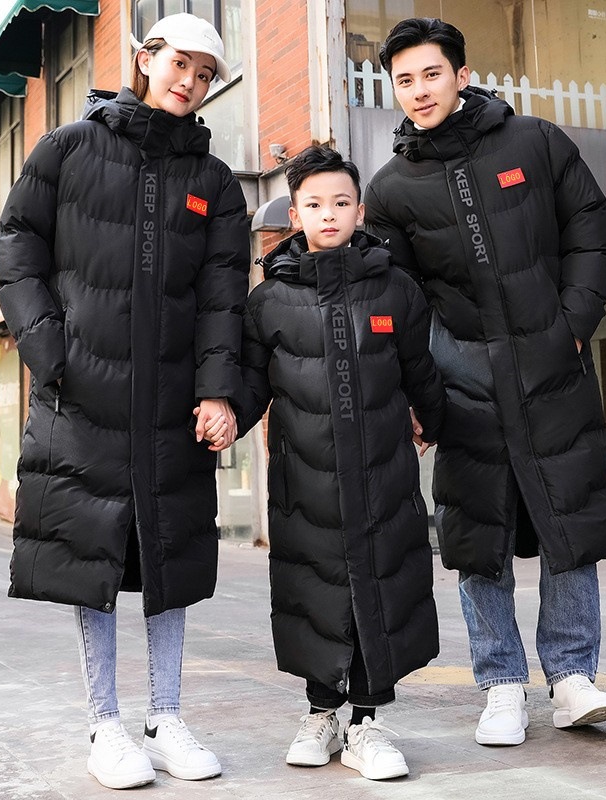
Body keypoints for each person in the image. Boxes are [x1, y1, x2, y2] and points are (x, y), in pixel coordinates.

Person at [0, 13, 250, 789]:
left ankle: (165, 717)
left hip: (172, 402)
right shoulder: (68, 148)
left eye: (204, 74)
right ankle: (104, 724)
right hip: (84, 395)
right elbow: (16, 245)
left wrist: (217, 390)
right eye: (180, 64)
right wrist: (50, 352)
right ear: (145, 59)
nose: (190, 81)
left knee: (169, 556)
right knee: (91, 556)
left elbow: (223, 298)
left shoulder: (215, 183)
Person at [364, 17, 606, 747]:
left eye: (431, 74)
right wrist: (424, 384)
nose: (419, 91)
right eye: (405, 80)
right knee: (477, 535)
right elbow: (399, 301)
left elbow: (589, 229)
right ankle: (502, 685)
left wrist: (572, 326)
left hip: (550, 367)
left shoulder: (535, 141)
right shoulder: (390, 190)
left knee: (568, 520)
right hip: (463, 384)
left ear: (462, 74)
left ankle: (572, 678)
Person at [232, 145, 444, 780]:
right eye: (315, 204)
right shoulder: (270, 301)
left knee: (380, 588)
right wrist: (223, 417)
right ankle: (321, 712)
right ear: (295, 214)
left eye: (341, 202)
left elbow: (420, 373)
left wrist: (435, 421)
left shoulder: (395, 289)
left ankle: (367, 724)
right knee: (315, 590)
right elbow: (252, 386)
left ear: (360, 211)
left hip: (383, 476)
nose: (329, 214)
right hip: (306, 481)